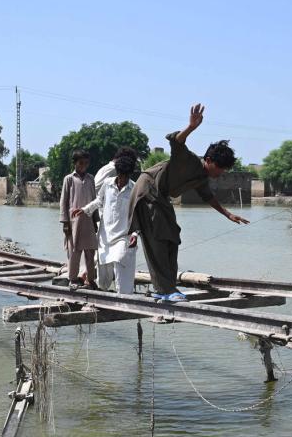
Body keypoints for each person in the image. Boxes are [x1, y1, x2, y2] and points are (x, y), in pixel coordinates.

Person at [128, 103, 249, 302]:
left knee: (173, 236)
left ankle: (168, 287)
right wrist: (191, 127)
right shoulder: (189, 160)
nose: (221, 173)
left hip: (160, 197)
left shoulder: (202, 177)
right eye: (220, 168)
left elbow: (208, 197)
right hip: (148, 192)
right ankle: (164, 290)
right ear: (208, 160)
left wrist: (229, 214)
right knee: (157, 239)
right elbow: (177, 141)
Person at [71, 151, 138, 294]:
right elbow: (99, 201)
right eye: (121, 176)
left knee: (121, 261)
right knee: (104, 270)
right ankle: (103, 293)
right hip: (105, 234)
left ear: (130, 175)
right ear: (117, 173)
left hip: (123, 235)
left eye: (126, 176)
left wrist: (135, 233)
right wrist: (84, 209)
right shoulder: (107, 184)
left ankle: (123, 296)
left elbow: (138, 214)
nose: (123, 180)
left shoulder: (134, 189)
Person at [59, 150, 99, 289]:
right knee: (74, 252)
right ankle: (73, 279)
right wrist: (65, 222)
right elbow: (63, 202)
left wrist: (95, 220)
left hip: (88, 219)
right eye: (81, 163)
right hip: (73, 221)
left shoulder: (90, 179)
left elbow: (95, 200)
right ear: (75, 163)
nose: (84, 166)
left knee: (90, 251)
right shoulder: (69, 179)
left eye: (86, 163)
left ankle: (91, 279)